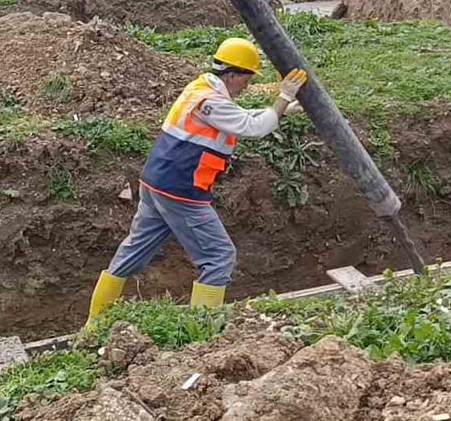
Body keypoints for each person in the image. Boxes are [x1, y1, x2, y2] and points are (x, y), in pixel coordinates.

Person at [86, 37, 308, 323]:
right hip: (181, 190)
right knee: (219, 256)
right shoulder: (212, 101)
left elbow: (235, 119)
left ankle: (94, 324)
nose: (248, 85)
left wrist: (281, 111)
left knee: (134, 251)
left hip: (156, 183)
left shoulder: (200, 89)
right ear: (232, 74)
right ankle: (202, 334)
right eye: (247, 78)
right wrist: (284, 96)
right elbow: (252, 128)